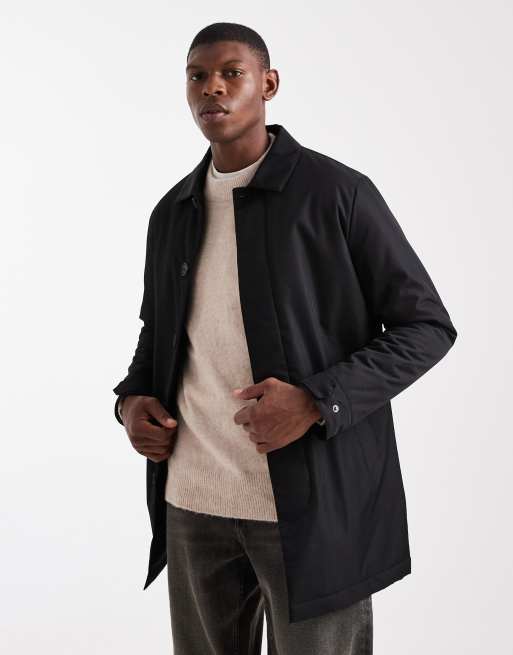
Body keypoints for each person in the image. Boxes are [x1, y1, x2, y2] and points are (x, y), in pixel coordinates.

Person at [112, 21, 457, 655]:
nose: (213, 88)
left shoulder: (337, 193)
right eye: (197, 76)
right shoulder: (173, 212)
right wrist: (131, 402)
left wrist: (317, 401)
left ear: (268, 84)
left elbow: (427, 327)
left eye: (231, 74)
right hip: (193, 499)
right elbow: (158, 333)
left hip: (311, 503)